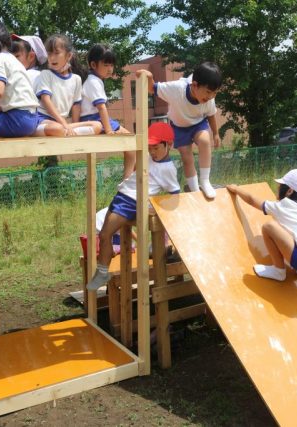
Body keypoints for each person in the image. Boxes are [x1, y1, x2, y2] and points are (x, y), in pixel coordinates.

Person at [87, 122, 180, 290]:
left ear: (169, 145)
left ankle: (102, 274)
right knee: (104, 235)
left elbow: (175, 196)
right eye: (150, 147)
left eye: (156, 148)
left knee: (105, 234)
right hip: (122, 196)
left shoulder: (168, 169)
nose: (152, 152)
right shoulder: (149, 157)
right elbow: (135, 161)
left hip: (131, 202)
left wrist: (155, 207)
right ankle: (102, 272)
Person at [226, 169, 297, 282]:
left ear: (289, 191)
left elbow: (251, 200)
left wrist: (236, 189)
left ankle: (278, 271)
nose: (278, 188)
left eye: (280, 186)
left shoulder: (282, 206)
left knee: (269, 226)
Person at [136, 62, 222, 199]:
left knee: (205, 141)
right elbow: (152, 88)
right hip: (179, 127)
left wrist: (216, 133)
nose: (211, 97)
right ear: (194, 85)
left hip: (198, 123)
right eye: (208, 92)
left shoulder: (209, 99)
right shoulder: (177, 89)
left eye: (215, 93)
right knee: (187, 158)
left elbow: (211, 114)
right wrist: (150, 76)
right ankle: (194, 190)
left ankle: (205, 181)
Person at [81, 44, 134, 179]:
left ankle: (127, 181)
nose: (110, 69)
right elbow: (101, 107)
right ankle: (126, 182)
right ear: (93, 64)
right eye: (106, 65)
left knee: (132, 146)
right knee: (132, 144)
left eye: (111, 65)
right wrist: (109, 130)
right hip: (93, 119)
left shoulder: (93, 80)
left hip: (92, 118)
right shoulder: (93, 81)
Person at [33, 34, 102, 137]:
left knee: (97, 125)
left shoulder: (76, 79)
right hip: (43, 120)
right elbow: (46, 100)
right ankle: (64, 132)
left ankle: (68, 134)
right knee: (57, 128)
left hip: (61, 123)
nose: (52, 57)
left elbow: (76, 105)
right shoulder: (45, 74)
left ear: (69, 56)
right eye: (49, 53)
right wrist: (64, 124)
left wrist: (73, 125)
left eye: (57, 53)